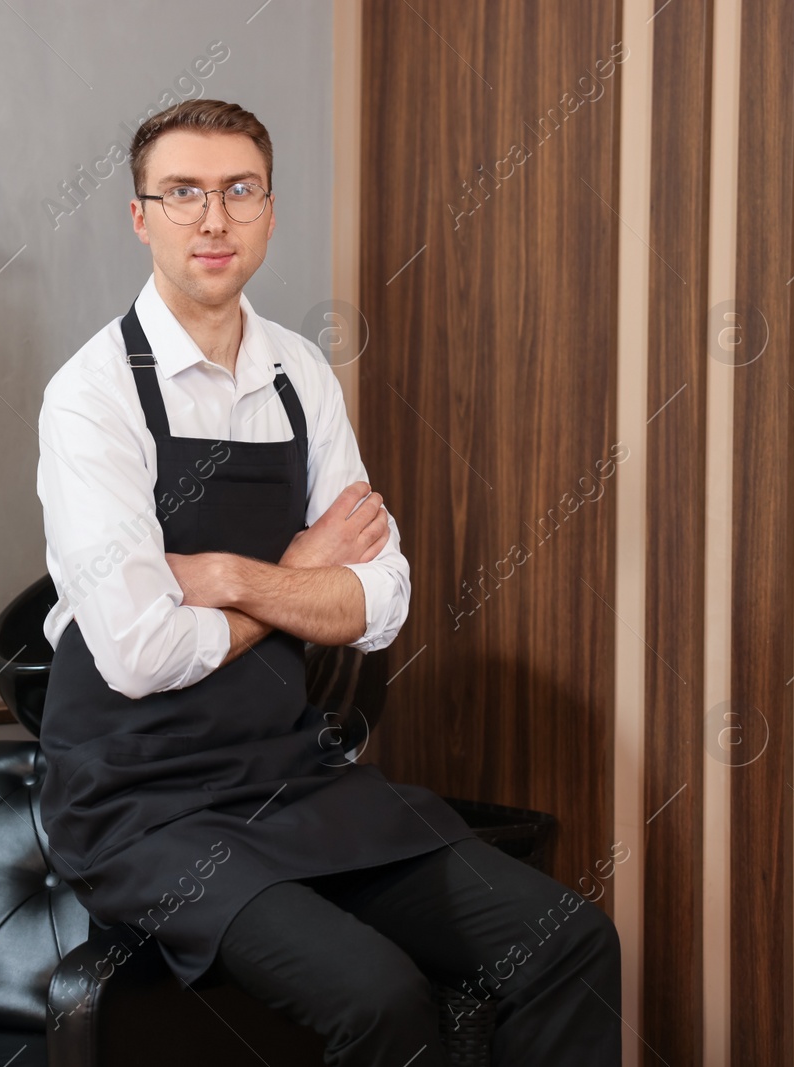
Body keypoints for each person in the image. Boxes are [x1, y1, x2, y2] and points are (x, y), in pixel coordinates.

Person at [34, 98, 622, 1066]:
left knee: (565, 939)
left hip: (286, 775)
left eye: (238, 190)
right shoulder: (91, 395)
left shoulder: (300, 373)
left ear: (269, 209)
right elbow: (140, 653)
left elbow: (380, 601)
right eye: (181, 193)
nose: (211, 218)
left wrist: (229, 575)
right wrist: (300, 575)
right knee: (379, 997)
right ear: (140, 216)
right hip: (139, 805)